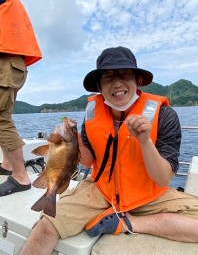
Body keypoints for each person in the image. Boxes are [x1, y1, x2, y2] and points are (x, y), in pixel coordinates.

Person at [20, 46, 198, 254]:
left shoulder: (165, 115)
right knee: (45, 226)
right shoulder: (92, 113)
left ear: (137, 81)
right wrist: (72, 142)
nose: (117, 82)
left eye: (125, 74)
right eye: (108, 77)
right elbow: (87, 162)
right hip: (100, 189)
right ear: (99, 86)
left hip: (149, 195)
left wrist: (144, 141)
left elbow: (163, 179)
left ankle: (129, 223)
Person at [0, 0, 42, 196]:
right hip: (12, 63)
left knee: (0, 117)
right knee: (3, 115)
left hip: (5, 63)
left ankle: (20, 176)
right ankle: (8, 164)